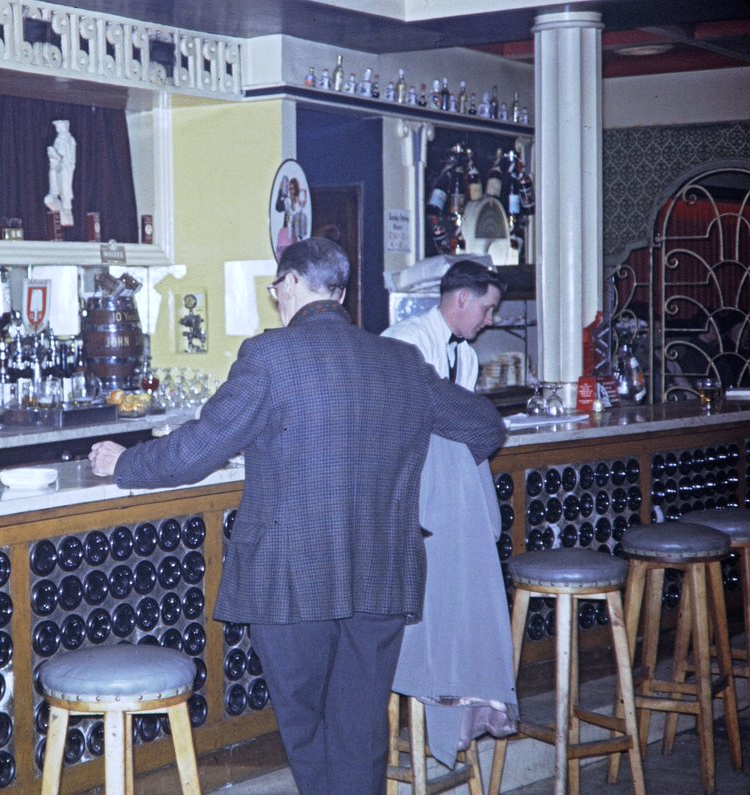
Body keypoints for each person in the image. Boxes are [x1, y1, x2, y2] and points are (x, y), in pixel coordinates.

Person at [88, 237, 505, 795]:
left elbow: (196, 451)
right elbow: (483, 426)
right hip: (382, 571)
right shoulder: (402, 360)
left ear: (288, 284)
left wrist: (123, 463)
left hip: (292, 580)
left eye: (275, 290)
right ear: (340, 290)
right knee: (360, 729)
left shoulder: (270, 356)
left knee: (307, 728)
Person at [381, 259, 506, 391]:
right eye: (486, 309)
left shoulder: (468, 357)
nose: (489, 320)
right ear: (463, 298)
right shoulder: (407, 340)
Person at [44, 119, 76, 226]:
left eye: (59, 127)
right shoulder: (59, 139)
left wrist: (56, 155)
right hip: (58, 166)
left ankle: (67, 209)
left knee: (65, 187)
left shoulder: (69, 140)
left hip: (65, 167)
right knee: (54, 178)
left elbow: (67, 156)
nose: (58, 129)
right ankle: (54, 195)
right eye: (57, 128)